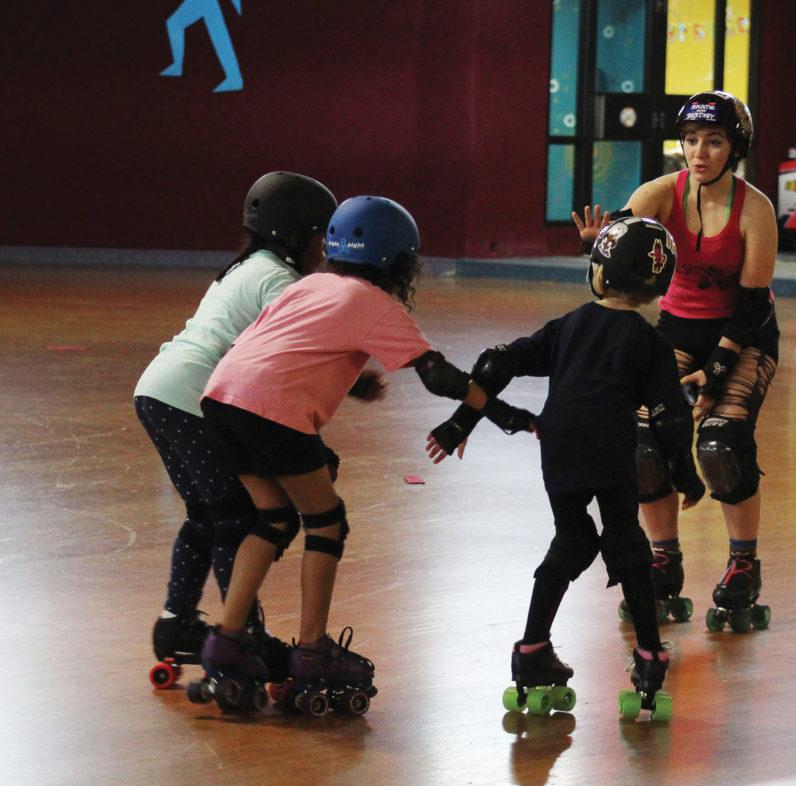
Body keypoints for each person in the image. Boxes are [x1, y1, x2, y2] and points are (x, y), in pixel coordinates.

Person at [193, 195, 535, 716]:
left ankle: (227, 637)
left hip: (220, 398)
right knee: (326, 522)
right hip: (270, 408)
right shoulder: (374, 302)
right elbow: (438, 375)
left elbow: (274, 345)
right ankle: (311, 650)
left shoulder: (309, 284)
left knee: (272, 516)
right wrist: (502, 412)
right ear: (397, 261)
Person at [427, 217, 705, 720]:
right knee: (625, 542)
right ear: (658, 284)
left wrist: (462, 422)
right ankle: (648, 657)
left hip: (559, 446)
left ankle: (532, 651)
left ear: (599, 270)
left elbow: (497, 362)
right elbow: (670, 416)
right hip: (611, 450)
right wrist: (685, 475)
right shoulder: (649, 343)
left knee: (572, 540)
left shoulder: (568, 326)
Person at [573, 90, 778, 633]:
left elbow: (752, 307)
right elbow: (617, 262)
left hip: (745, 335)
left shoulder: (754, 209)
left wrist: (714, 373)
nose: (699, 152)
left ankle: (743, 565)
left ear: (734, 148)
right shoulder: (660, 194)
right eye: (690, 141)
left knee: (720, 444)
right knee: (644, 444)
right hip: (678, 333)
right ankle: (663, 557)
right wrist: (598, 247)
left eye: (713, 142)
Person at [134, 171, 338, 689]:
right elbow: (287, 349)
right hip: (195, 397)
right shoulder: (279, 280)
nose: (325, 249)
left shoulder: (245, 267)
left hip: (159, 391)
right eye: (323, 237)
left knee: (205, 514)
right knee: (241, 518)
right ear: (299, 235)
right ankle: (239, 634)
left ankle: (178, 623)